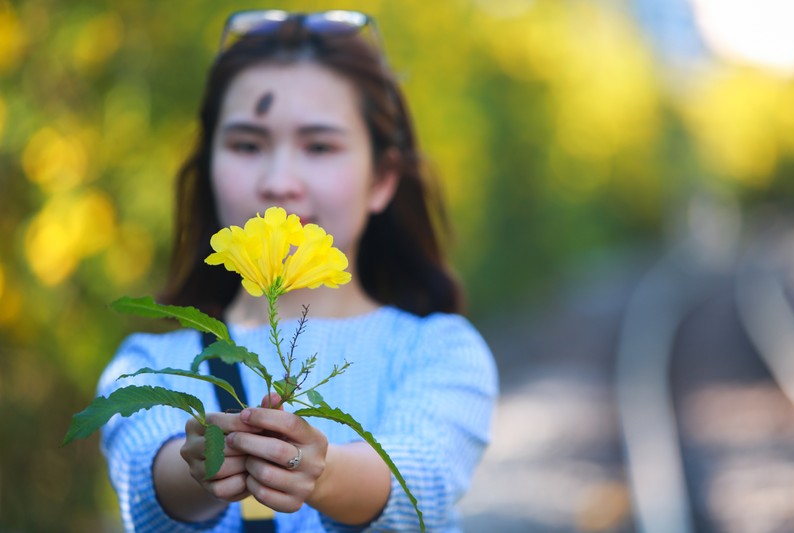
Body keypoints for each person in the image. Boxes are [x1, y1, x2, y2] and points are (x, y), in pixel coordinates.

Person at [97, 9, 497, 532]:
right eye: (246, 145)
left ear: (382, 178)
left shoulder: (439, 351)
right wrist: (201, 466)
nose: (279, 182)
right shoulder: (148, 366)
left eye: (319, 146)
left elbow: (421, 478)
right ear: (209, 166)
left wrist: (321, 474)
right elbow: (142, 473)